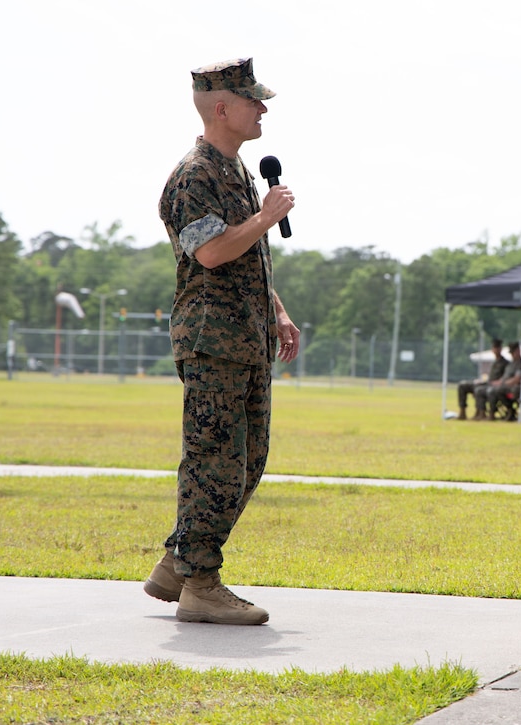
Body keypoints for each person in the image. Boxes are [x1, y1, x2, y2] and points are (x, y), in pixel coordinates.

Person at [143, 58, 299, 626]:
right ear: (222, 108)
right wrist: (265, 217)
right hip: (213, 339)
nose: (263, 109)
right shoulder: (195, 175)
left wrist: (277, 311)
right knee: (215, 461)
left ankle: (176, 562)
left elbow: (247, 255)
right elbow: (210, 252)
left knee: (249, 458)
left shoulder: (237, 171)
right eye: (254, 100)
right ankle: (201, 585)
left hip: (248, 336)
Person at [456, 338, 507, 420]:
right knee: (463, 385)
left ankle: (481, 413)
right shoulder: (494, 362)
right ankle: (462, 412)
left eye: (497, 347)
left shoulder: (505, 363)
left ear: (500, 349)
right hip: (487, 383)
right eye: (494, 347)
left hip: (495, 386)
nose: (495, 350)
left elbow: (504, 378)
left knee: (479, 390)